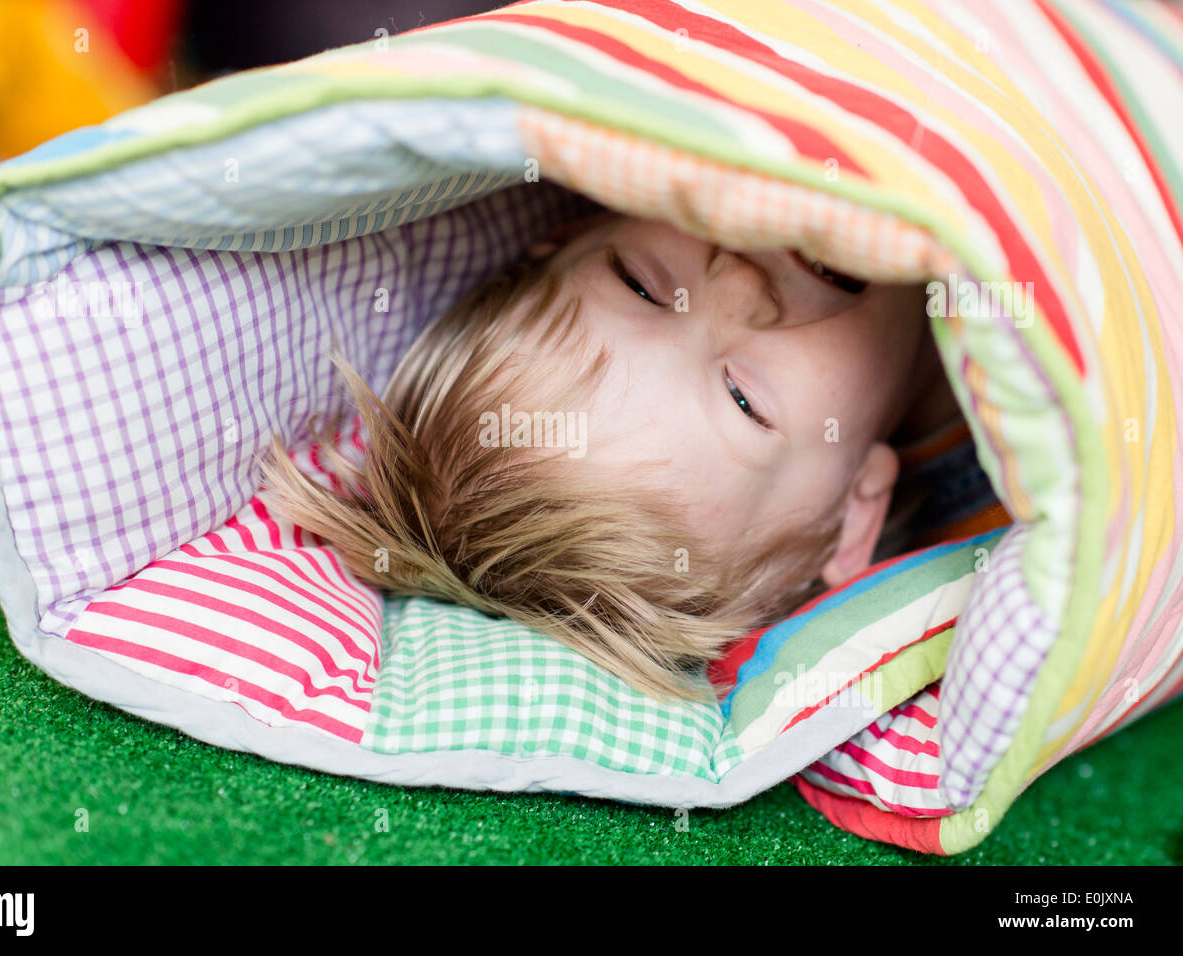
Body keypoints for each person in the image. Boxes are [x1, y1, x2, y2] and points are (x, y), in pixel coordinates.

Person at [258, 209, 975, 705]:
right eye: (743, 402)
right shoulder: (1051, 477)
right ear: (852, 511)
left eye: (640, 283)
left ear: (573, 227)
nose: (735, 285)